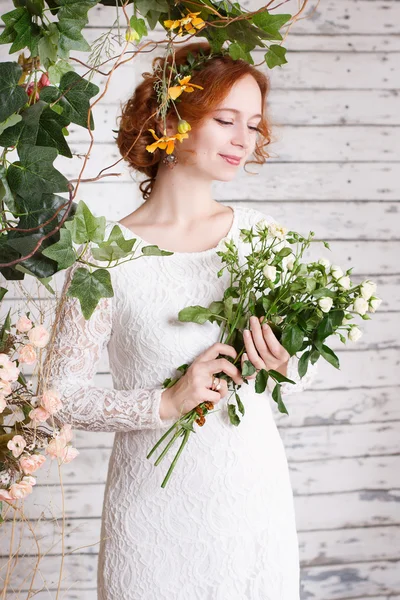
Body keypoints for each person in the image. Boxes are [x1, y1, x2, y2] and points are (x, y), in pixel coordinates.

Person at [43, 41, 318, 600]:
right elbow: (57, 394)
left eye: (254, 125)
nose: (245, 139)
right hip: (149, 513)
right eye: (225, 120)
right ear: (172, 118)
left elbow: (298, 373)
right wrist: (165, 403)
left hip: (251, 501)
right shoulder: (105, 254)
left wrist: (285, 362)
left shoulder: (265, 239)